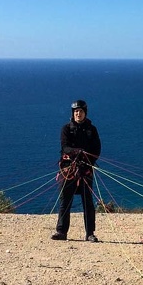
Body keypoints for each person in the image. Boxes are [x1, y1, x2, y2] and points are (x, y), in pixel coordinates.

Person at [51, 99, 102, 242]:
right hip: (68, 170)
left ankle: (90, 233)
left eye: (80, 111)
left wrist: (88, 162)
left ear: (85, 113)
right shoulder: (66, 129)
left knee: (88, 202)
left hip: (86, 169)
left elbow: (97, 149)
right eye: (76, 111)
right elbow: (64, 147)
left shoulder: (92, 130)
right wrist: (77, 152)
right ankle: (61, 232)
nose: (78, 113)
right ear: (73, 113)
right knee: (65, 200)